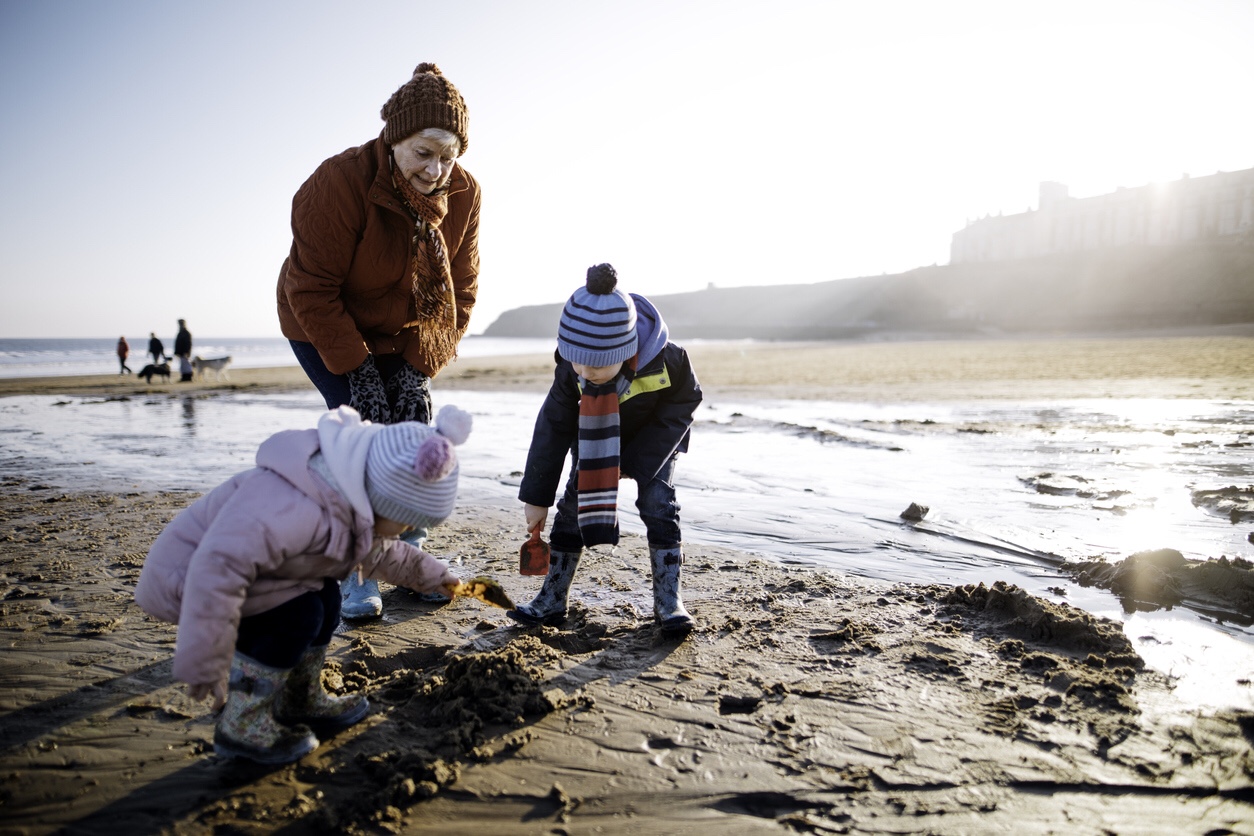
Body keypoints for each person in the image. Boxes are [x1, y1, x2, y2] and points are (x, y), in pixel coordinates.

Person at [133, 404, 472, 764]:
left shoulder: (347, 499)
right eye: (404, 522)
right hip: (191, 583)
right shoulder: (292, 506)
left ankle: (299, 697)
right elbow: (217, 571)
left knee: (326, 599)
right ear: (377, 496)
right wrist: (204, 658)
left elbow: (381, 555)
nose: (406, 532)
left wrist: (435, 577)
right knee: (297, 614)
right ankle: (242, 722)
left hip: (248, 578)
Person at [276, 62, 481, 620]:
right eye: (423, 152)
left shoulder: (463, 193)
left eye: (448, 154)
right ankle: (359, 571)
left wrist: (417, 369)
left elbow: (460, 290)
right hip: (323, 322)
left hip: (410, 330)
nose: (436, 169)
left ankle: (408, 558)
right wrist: (359, 375)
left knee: (414, 439)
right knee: (361, 444)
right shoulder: (336, 183)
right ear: (394, 139)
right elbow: (311, 290)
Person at [509, 264, 703, 636]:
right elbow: (552, 427)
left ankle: (668, 601)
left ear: (627, 348)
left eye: (597, 364)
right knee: (570, 509)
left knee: (658, 504)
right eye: (576, 360)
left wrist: (635, 463)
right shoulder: (572, 370)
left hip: (655, 443)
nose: (586, 371)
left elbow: (686, 403)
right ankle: (552, 598)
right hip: (596, 436)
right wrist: (536, 497)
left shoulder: (669, 359)